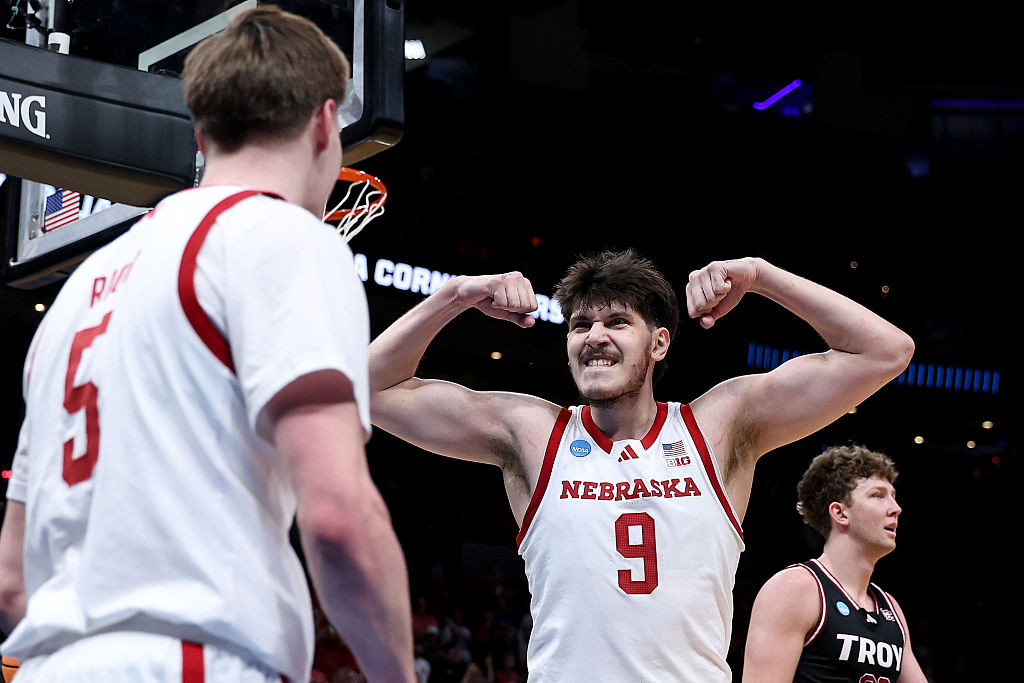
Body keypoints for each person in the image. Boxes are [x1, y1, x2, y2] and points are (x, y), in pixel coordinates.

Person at [0, 6, 414, 682]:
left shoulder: (76, 295)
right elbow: (339, 516)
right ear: (323, 124)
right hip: (192, 657)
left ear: (199, 132)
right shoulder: (280, 236)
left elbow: (12, 582)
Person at [369, 249, 914, 681]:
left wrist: (761, 275)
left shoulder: (719, 427)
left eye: (616, 322)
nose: (595, 336)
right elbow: (366, 388)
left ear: (658, 344)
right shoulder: (532, 433)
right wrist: (453, 295)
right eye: (580, 325)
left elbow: (885, 351)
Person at [742, 444, 928, 682]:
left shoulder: (890, 608)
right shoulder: (794, 589)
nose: (896, 508)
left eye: (893, 496)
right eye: (878, 495)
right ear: (840, 513)